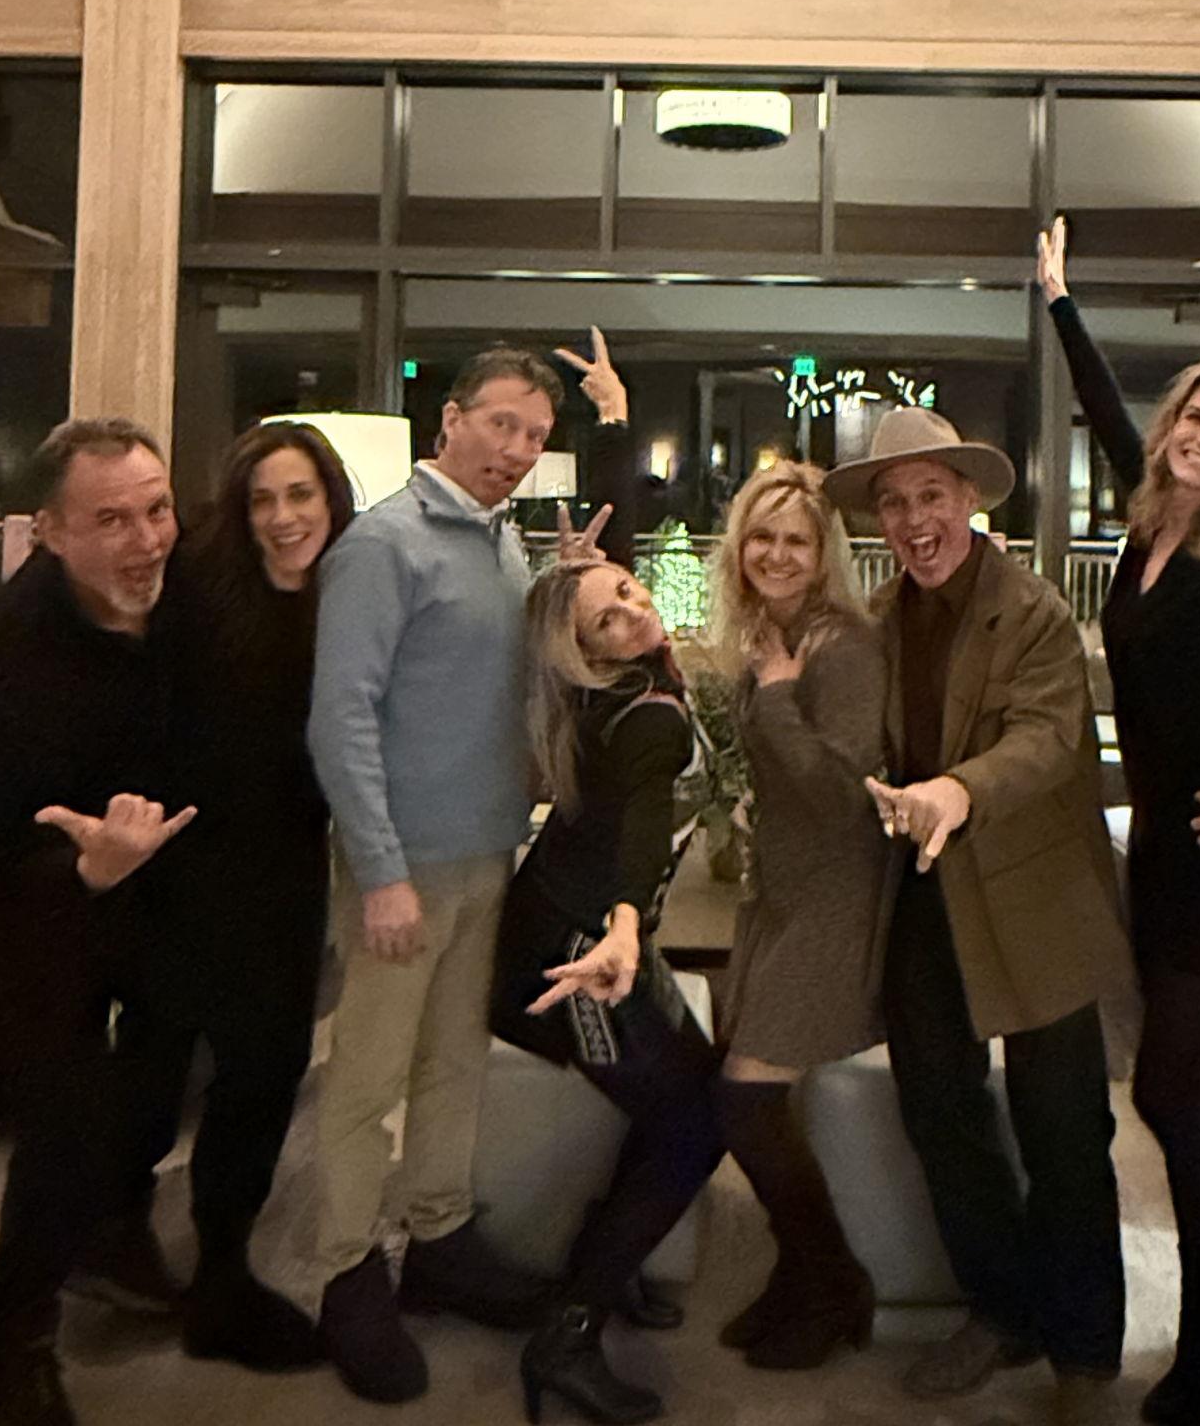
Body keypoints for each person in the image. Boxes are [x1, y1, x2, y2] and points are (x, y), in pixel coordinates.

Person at [305, 341, 624, 1405]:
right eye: (500, 424)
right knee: (366, 1080)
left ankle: (438, 1234)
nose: (517, 449)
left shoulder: (501, 546)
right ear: (450, 420)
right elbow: (340, 717)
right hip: (400, 868)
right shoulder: (381, 544)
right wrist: (379, 870)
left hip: (487, 852)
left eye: (534, 434)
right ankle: (347, 1268)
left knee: (452, 1064)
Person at [1037, 217, 1200, 1425]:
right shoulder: (1149, 526)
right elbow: (1107, 417)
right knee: (1171, 1092)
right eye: (1193, 417)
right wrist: (1059, 303)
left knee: (1170, 1093)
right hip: (1158, 846)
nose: (1199, 437)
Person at [823, 407, 1132, 1416]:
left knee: (1063, 1126)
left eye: (931, 495)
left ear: (968, 499)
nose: (914, 520)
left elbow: (1045, 739)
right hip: (924, 891)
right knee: (940, 1111)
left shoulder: (1032, 611)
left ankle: (1084, 1353)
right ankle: (1001, 1310)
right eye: (893, 501)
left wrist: (958, 788)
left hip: (1035, 893)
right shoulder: (875, 616)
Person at [488, 330, 722, 1426]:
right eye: (607, 618)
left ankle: (604, 1258)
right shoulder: (641, 721)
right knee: (696, 1120)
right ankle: (566, 1334)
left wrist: (615, 421)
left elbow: (601, 565)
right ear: (582, 652)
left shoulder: (618, 675)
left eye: (630, 592)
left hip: (574, 934)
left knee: (691, 1093)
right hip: (570, 960)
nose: (632, 607)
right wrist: (629, 923)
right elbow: (640, 831)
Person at [0, 419, 199, 1426]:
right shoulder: (6, 649)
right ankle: (10, 1341)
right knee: (59, 1119)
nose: (146, 540)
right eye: (111, 520)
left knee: (161, 1063)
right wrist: (86, 864)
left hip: (158, 884)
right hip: (41, 898)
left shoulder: (182, 590)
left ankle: (116, 1231)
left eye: (157, 509)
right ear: (49, 531)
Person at [97, 421, 357, 1371]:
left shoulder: (345, 598)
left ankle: (221, 1275)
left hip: (287, 870)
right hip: (184, 866)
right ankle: (107, 1230)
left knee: (264, 1076)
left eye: (300, 495)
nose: (283, 517)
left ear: (332, 499)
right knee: (154, 1060)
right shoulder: (198, 590)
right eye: (262, 499)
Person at [702, 462, 887, 1371]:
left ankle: (835, 1277)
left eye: (797, 542)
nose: (777, 555)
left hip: (833, 896)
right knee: (749, 1094)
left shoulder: (840, 646)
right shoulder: (770, 634)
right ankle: (802, 1271)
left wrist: (776, 696)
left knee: (744, 1099)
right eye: (763, 537)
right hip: (778, 890)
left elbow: (842, 794)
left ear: (823, 557)